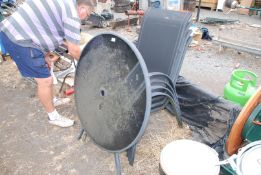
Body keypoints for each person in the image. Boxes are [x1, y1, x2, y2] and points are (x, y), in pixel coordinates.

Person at [0, 0, 96, 127]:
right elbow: (74, 50)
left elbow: (46, 27)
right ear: (82, 8)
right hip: (19, 39)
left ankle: (51, 100)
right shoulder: (72, 13)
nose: (87, 17)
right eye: (88, 14)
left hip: (19, 32)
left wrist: (46, 55)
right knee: (45, 80)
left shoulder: (65, 4)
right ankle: (53, 117)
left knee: (47, 70)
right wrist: (89, 67)